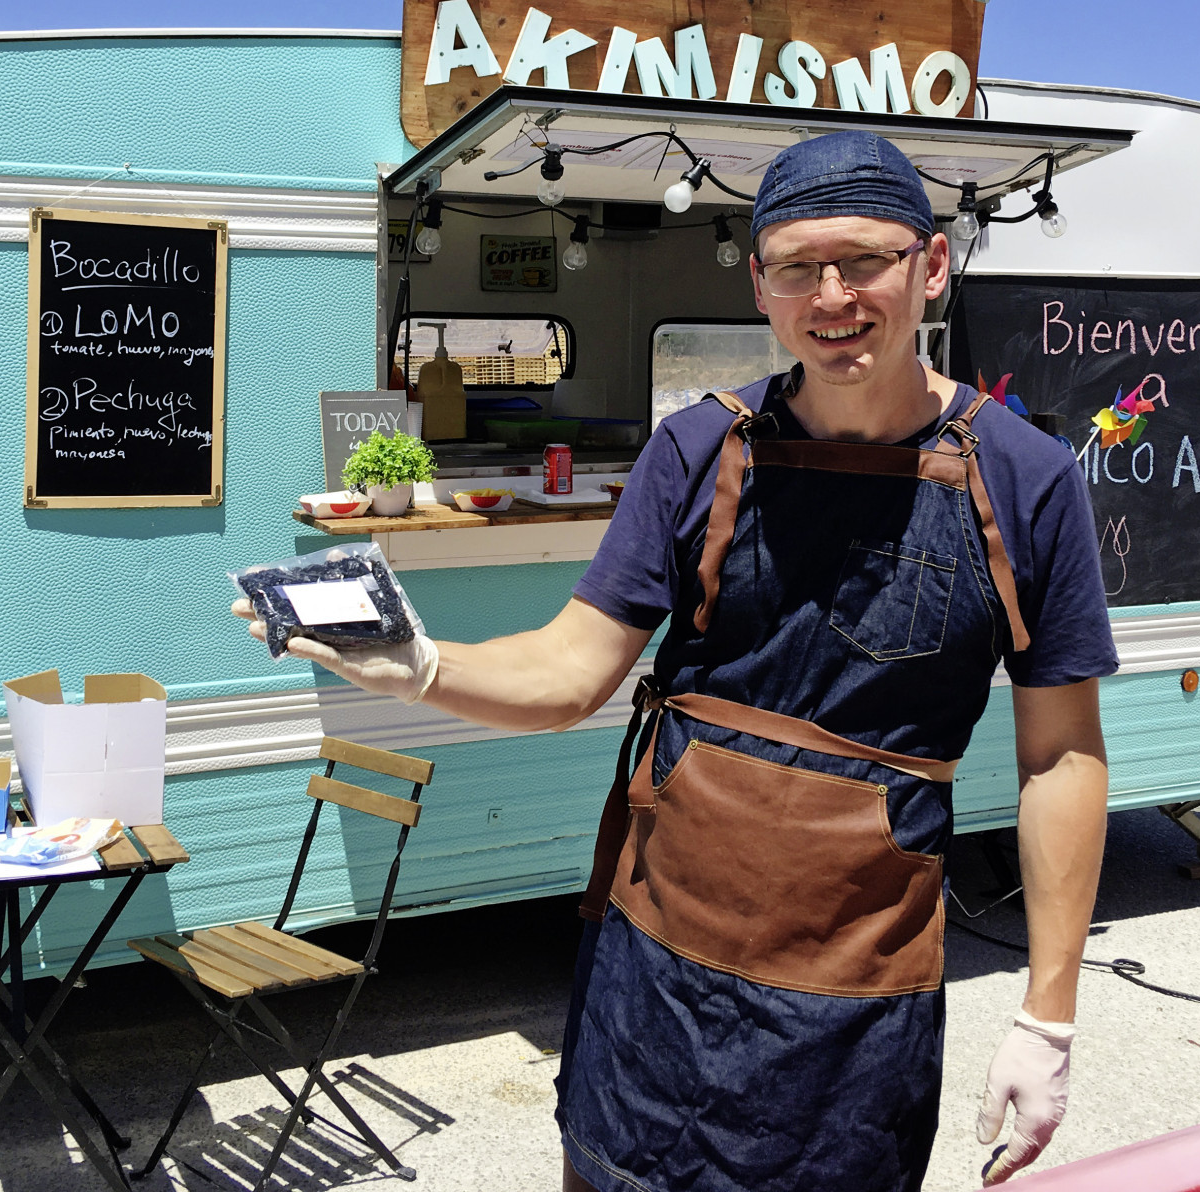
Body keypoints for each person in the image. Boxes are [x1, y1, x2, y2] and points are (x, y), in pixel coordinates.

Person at [232, 130, 1114, 1190]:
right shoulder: (697, 448)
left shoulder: (1023, 477)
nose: (832, 295)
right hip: (657, 962)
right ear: (759, 288)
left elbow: (1061, 755)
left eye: (863, 260)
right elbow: (570, 670)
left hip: (852, 990)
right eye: (797, 267)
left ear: (928, 266)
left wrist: (1047, 1017)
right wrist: (421, 666)